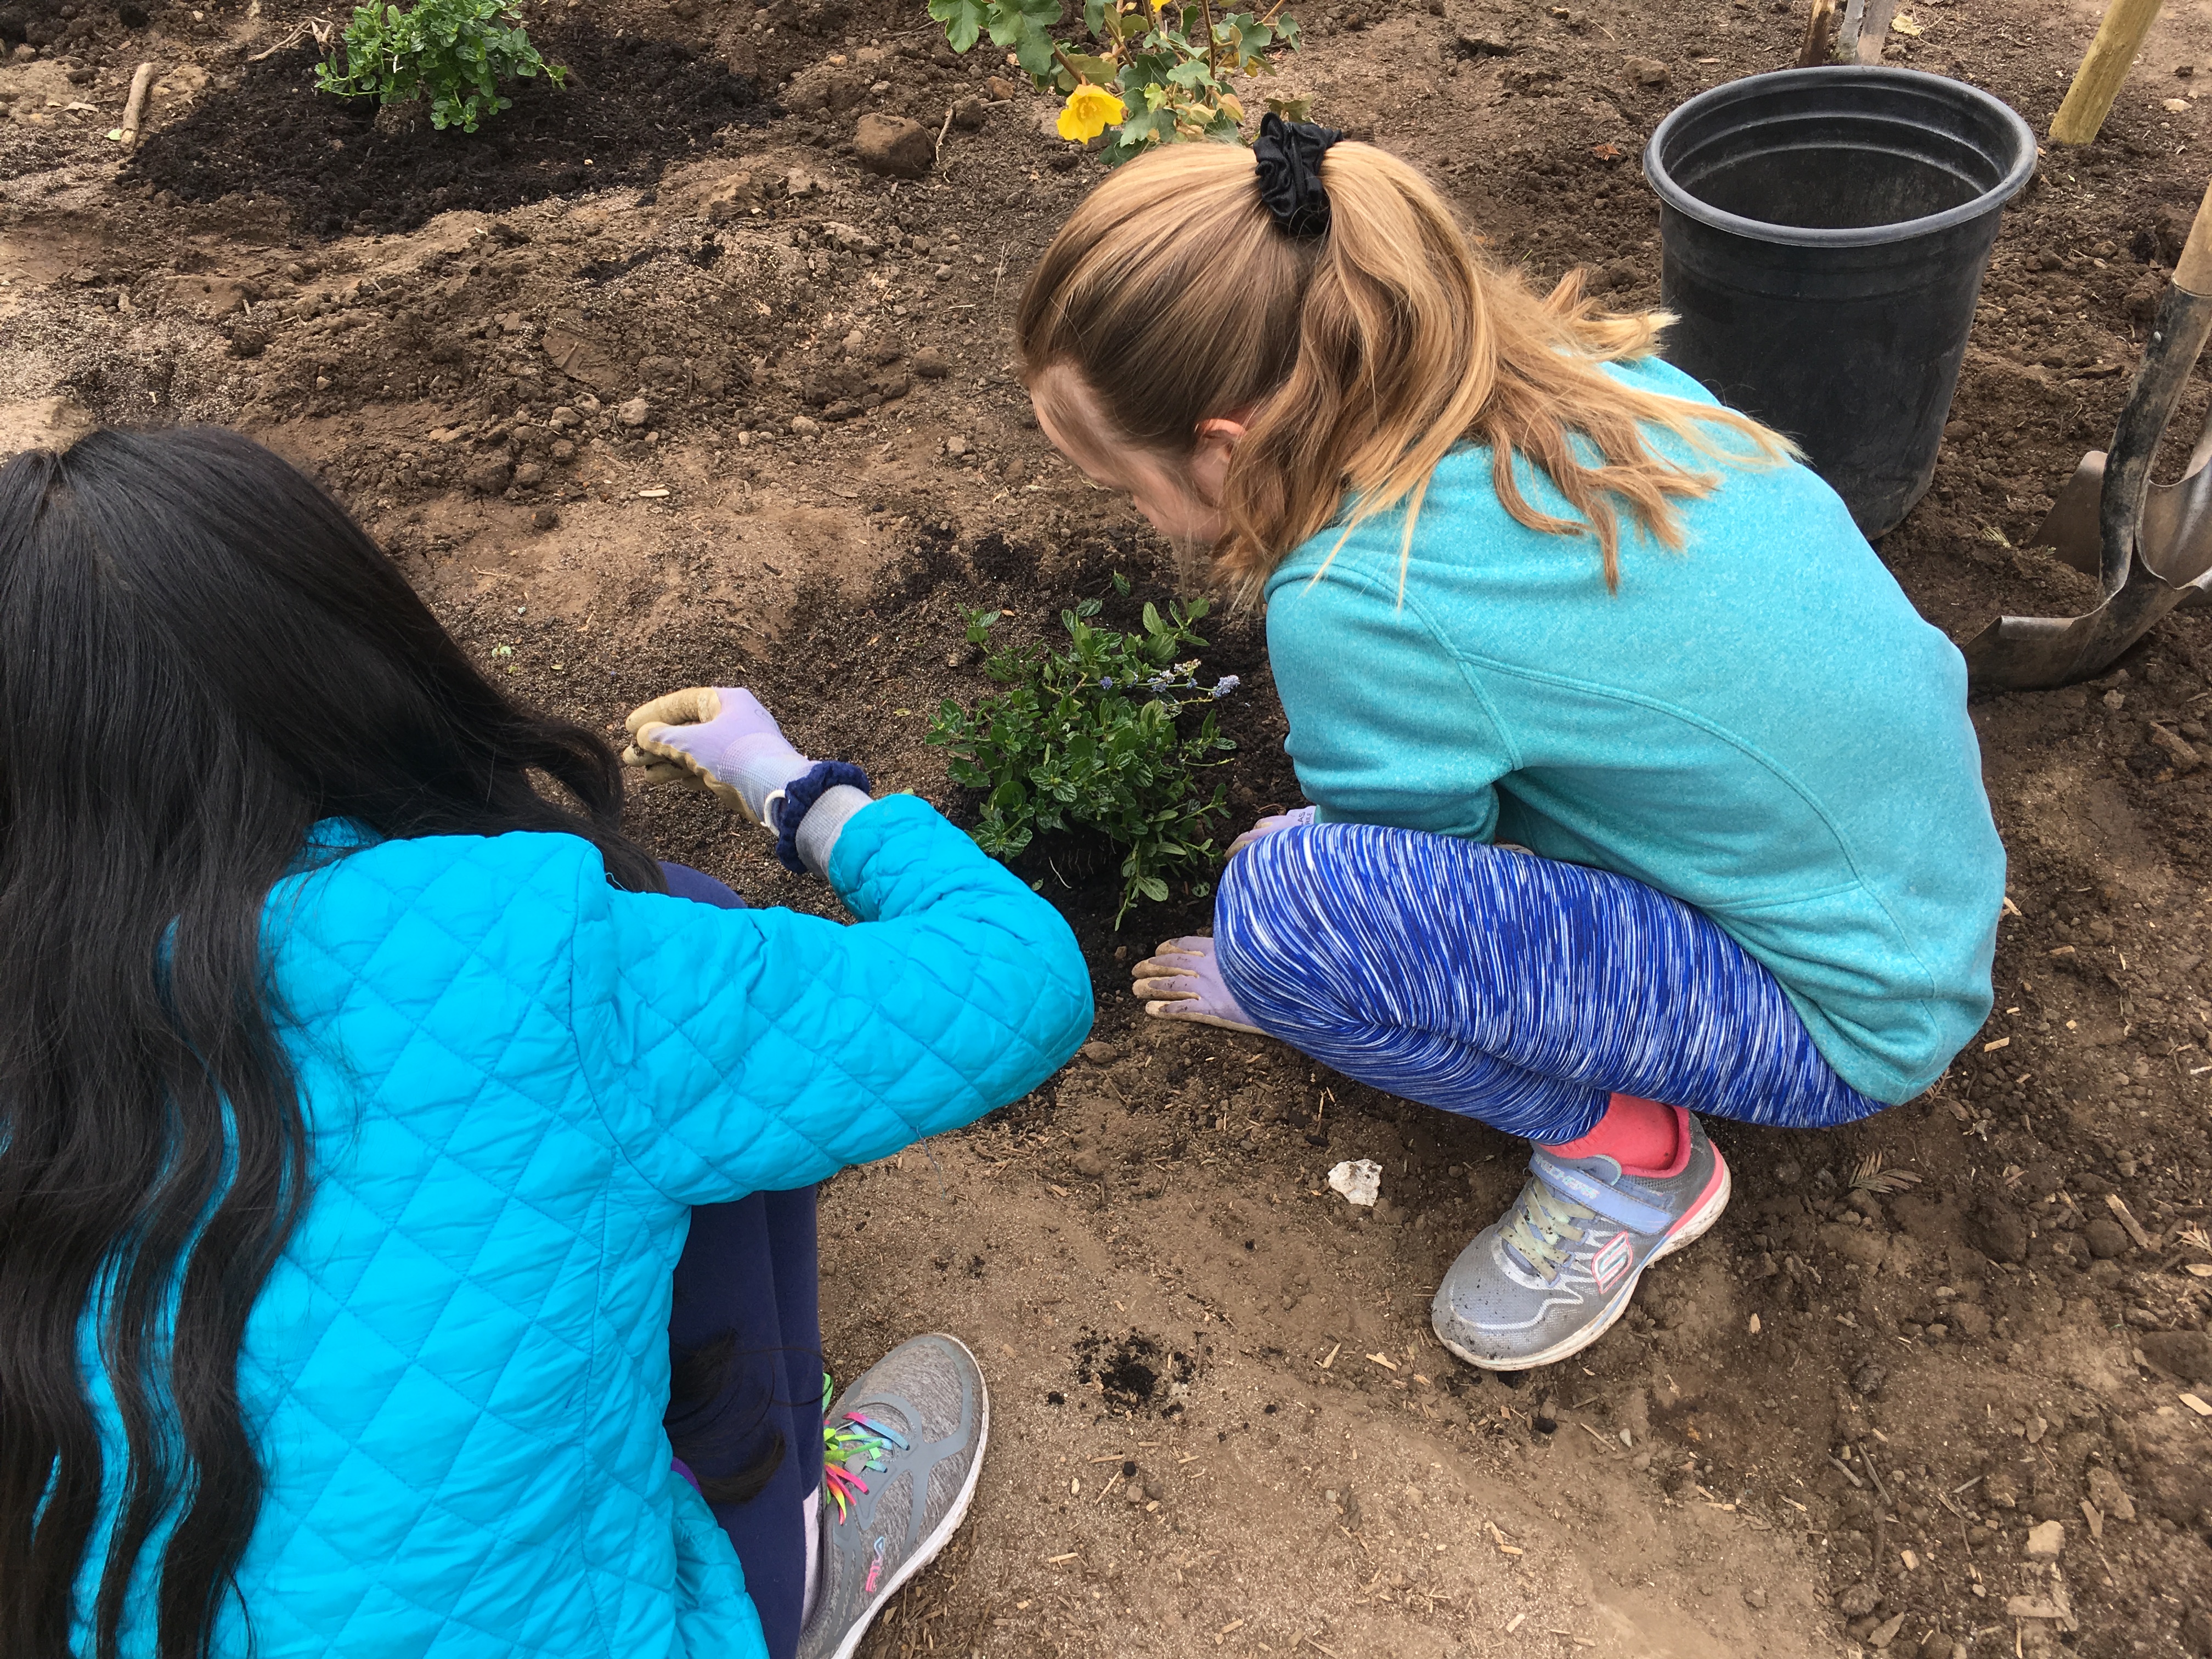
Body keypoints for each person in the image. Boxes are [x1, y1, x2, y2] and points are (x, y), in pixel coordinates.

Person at [0, 427, 1093, 1659]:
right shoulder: (528, 954)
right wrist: (799, 791)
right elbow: (1020, 974)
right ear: (354, 667)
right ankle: (792, 1544)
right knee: (690, 949)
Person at [1015, 117, 2004, 1372]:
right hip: (1919, 883)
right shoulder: (1584, 378)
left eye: (1125, 486)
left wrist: (1299, 977)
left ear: (1226, 446)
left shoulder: (1355, 601)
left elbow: (1414, 885)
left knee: (1290, 913)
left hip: (1842, 1016)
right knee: (1335, 866)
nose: (1141, 517)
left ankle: (1635, 1169)